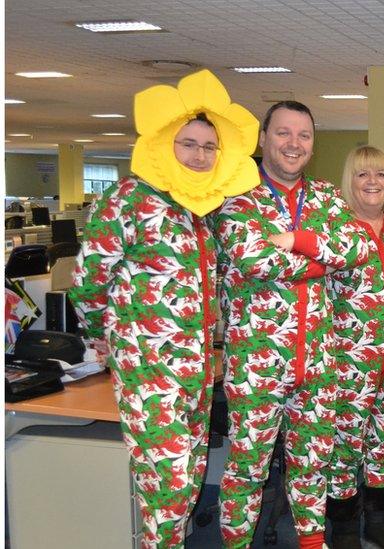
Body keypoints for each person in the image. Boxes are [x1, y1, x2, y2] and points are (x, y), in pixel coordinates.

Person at [70, 69, 260, 548]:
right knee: (169, 487)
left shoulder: (206, 207)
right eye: (188, 144)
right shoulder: (129, 200)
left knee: (189, 481)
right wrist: (102, 334)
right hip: (149, 367)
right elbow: (88, 279)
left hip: (197, 370)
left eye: (208, 147)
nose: (199, 155)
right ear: (164, 145)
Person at [214, 100, 370, 549]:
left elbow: (355, 248)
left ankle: (311, 541)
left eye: (303, 135)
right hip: (256, 366)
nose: (293, 144)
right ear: (263, 138)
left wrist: (300, 241)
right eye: (283, 133)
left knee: (313, 462)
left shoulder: (325, 196)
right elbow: (255, 259)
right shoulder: (236, 198)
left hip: (318, 361)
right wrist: (322, 262)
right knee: (247, 468)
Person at [276, 145, 384, 549]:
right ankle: (346, 527)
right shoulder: (335, 233)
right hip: (346, 359)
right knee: (345, 442)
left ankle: (378, 519)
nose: (373, 183)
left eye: (381, 175)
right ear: (349, 182)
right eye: (363, 175)